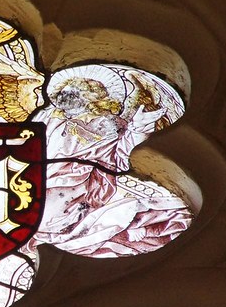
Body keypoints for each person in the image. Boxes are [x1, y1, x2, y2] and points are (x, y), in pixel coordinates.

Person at [30, 71, 191, 257]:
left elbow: (122, 156)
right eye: (65, 91)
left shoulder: (109, 125)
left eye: (77, 90)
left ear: (95, 97)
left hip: (84, 187)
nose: (68, 95)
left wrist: (139, 128)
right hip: (43, 180)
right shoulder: (48, 120)